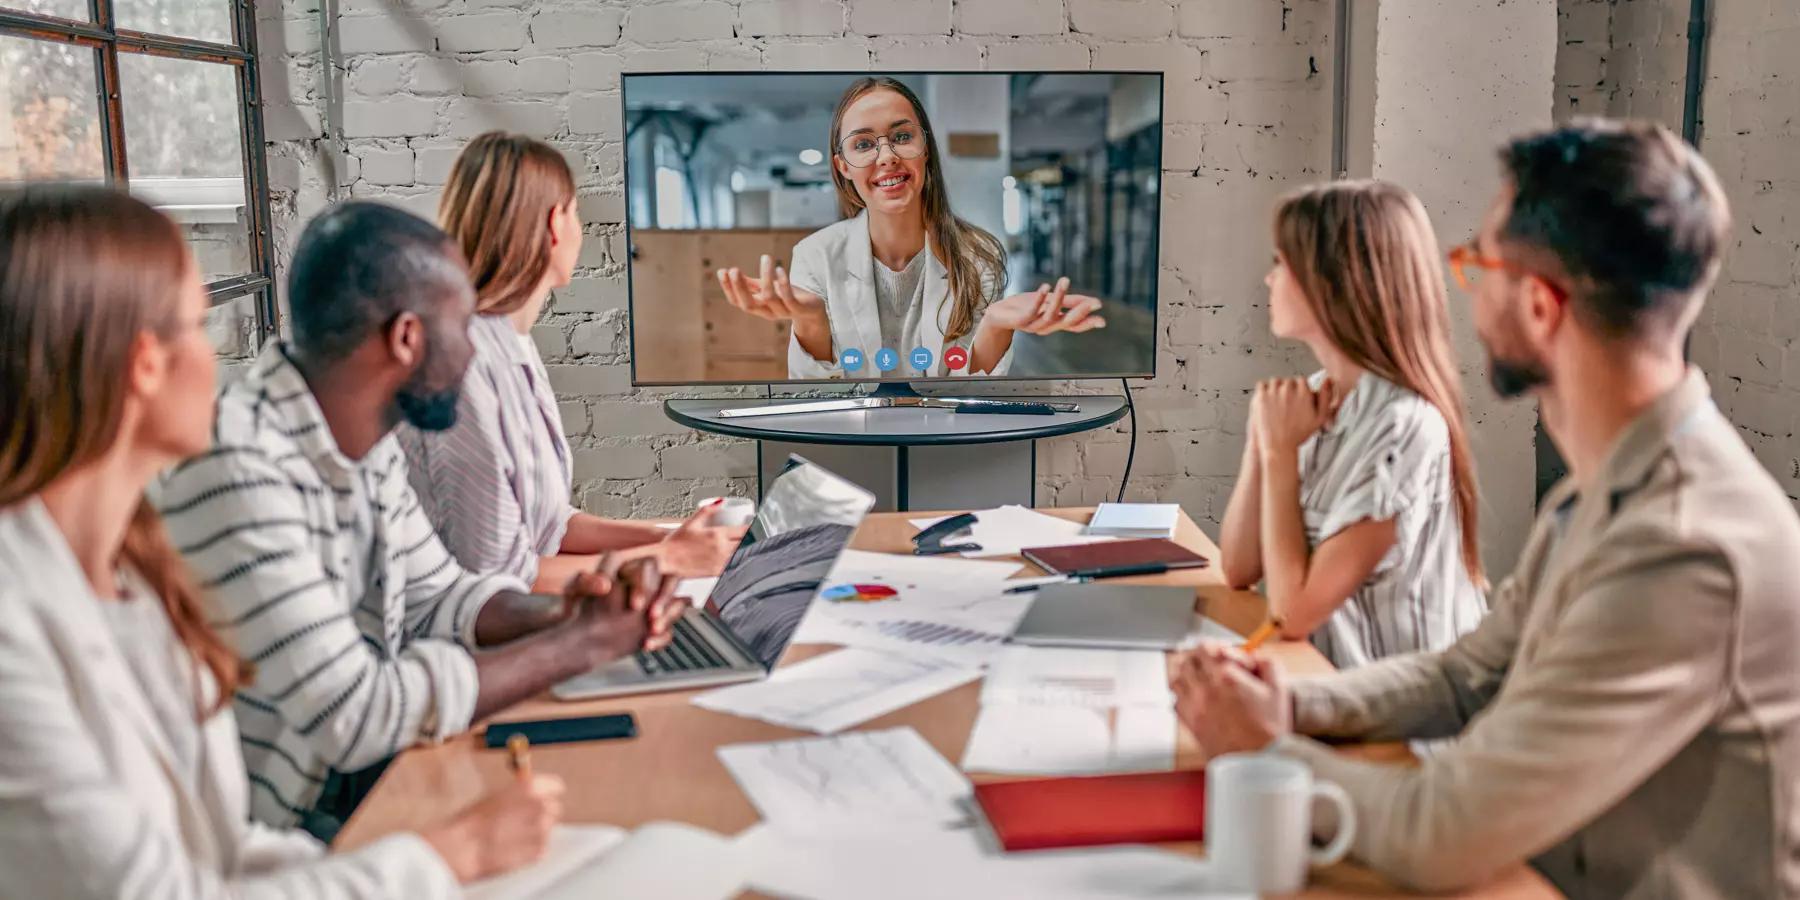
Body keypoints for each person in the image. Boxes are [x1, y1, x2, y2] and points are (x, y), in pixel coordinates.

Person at [1172, 120, 1800, 897]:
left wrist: (1261, 749)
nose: (1459, 291)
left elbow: (1440, 834)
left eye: (1478, 266)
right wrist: (1291, 701)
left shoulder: (1680, 547)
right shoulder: (1606, 489)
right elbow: (1472, 671)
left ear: (1539, 307)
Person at [0, 185, 569, 897]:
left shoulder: (129, 573)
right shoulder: (15, 630)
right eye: (200, 324)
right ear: (145, 363)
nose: (220, 362)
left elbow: (221, 847)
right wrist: (452, 853)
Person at [153, 200, 688, 840]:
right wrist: (578, 646)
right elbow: (354, 714)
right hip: (271, 837)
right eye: (462, 324)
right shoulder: (241, 467)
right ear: (407, 338)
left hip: (348, 790)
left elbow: (441, 597)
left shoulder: (358, 433)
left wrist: (570, 613)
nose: (473, 350)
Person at [401, 131, 743, 593]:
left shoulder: (510, 340)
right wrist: (669, 558)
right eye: (577, 212)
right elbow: (496, 577)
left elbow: (548, 525)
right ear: (555, 225)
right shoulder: (461, 369)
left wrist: (667, 536)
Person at [1215, 181, 1486, 668]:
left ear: (1333, 282)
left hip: (1397, 727)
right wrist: (1263, 439)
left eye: (1282, 263)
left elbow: (1292, 614)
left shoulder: (1402, 426)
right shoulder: (1316, 398)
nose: (1269, 280)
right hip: (1321, 686)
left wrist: (1279, 458)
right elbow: (1238, 568)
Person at [716, 76, 1106, 379]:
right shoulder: (815, 255)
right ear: (843, 167)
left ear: (925, 149)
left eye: (902, 137)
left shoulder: (977, 254)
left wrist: (997, 325)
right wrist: (811, 321)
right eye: (864, 144)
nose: (886, 156)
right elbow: (818, 396)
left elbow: (970, 395)